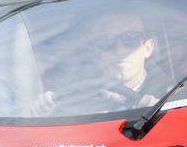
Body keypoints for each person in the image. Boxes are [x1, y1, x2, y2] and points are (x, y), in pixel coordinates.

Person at [34, 6, 175, 116]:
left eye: (130, 38)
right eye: (106, 41)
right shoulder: (69, 101)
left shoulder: (176, 97)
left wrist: (166, 116)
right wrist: (44, 112)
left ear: (148, 48)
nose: (119, 50)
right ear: (93, 53)